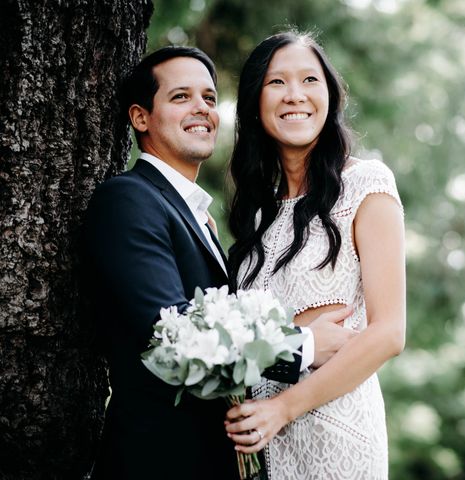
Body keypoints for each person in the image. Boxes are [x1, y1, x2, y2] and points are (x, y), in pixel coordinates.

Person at [82, 45, 355, 480]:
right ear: (140, 118)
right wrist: (302, 346)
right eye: (180, 97)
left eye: (209, 98)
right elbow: (170, 333)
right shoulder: (128, 199)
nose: (202, 109)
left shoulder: (197, 218)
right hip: (155, 461)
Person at [225, 32, 406, 479]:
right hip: (261, 449)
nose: (295, 96)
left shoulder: (366, 185)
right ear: (254, 101)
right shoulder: (255, 217)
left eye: (310, 80)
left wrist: (282, 408)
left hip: (338, 438)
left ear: (329, 96)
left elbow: (388, 333)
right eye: (276, 83)